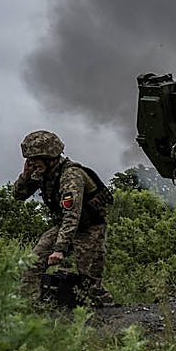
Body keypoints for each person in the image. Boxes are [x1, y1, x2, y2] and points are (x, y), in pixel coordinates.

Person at [12, 130, 113, 306]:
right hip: (64, 227)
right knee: (32, 264)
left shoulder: (71, 176)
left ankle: (110, 314)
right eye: (30, 159)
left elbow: (72, 215)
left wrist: (59, 249)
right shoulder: (42, 173)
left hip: (89, 228)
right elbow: (18, 195)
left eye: (35, 158)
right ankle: (30, 309)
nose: (32, 163)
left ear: (49, 157)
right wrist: (25, 177)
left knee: (89, 282)